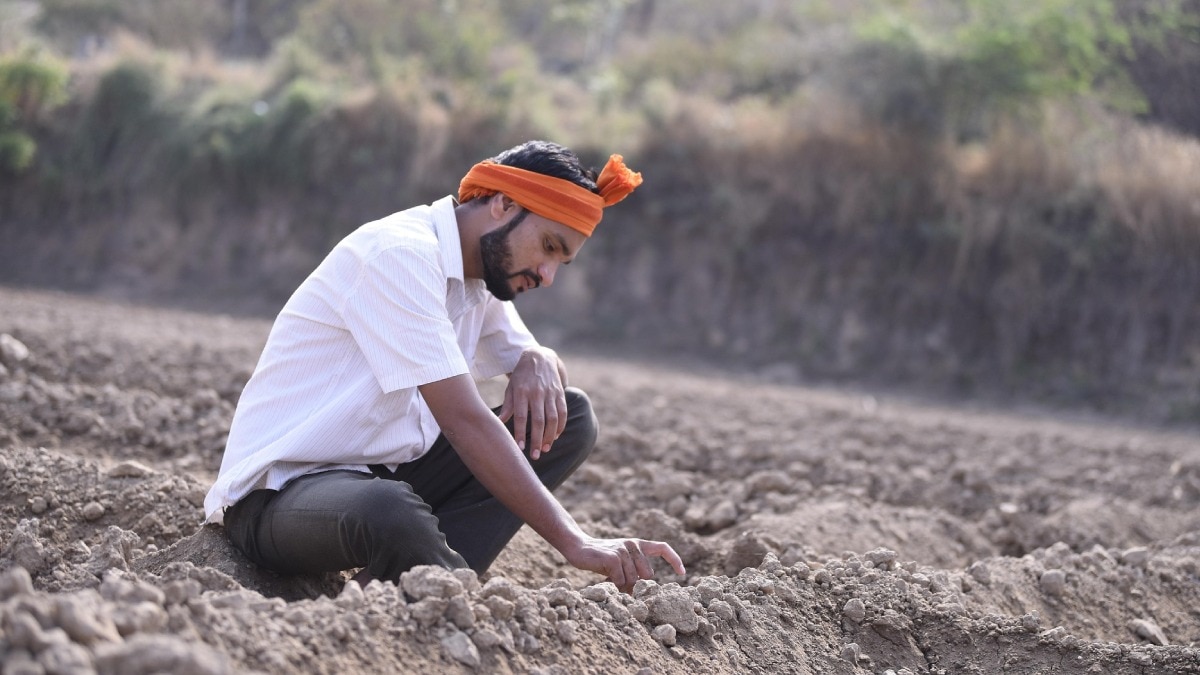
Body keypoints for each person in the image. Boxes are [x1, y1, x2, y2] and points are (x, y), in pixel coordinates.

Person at [203, 140, 684, 592]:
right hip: (280, 499)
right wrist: (575, 542)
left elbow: (535, 369)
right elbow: (464, 421)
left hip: (375, 478)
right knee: (389, 510)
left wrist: (540, 357)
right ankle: (446, 597)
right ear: (504, 205)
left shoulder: (481, 275)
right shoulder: (402, 255)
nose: (547, 275)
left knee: (572, 417)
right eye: (550, 247)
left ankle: (406, 592)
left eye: (562, 262)